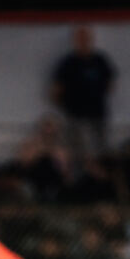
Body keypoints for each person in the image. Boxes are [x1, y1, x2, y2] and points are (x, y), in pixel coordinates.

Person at [49, 26, 117, 167]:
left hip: (98, 114)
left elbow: (111, 84)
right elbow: (56, 90)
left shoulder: (99, 60)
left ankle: (100, 174)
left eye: (86, 38)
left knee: (101, 150)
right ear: (75, 41)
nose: (84, 41)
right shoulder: (68, 63)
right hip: (75, 115)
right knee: (78, 152)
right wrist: (68, 105)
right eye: (80, 38)